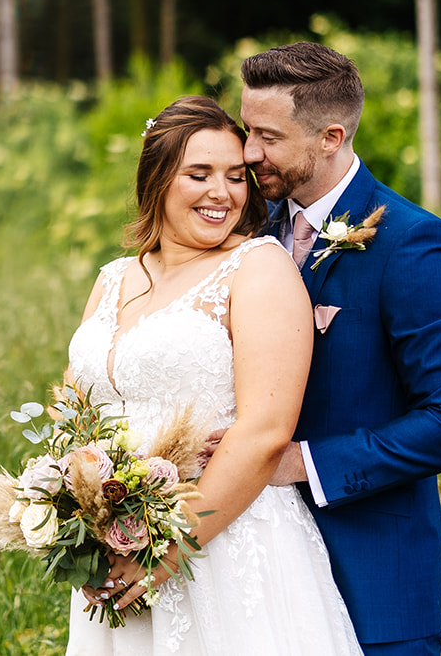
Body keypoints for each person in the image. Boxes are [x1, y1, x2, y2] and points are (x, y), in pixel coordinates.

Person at [64, 95, 363, 656]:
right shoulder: (113, 278)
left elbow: (266, 430)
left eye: (235, 176)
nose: (221, 193)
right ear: (156, 179)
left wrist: (165, 552)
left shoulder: (258, 266)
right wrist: (78, 518)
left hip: (224, 544)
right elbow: (75, 409)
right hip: (117, 553)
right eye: (198, 174)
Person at [237, 42, 441, 656]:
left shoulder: (413, 243)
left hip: (371, 578)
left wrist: (304, 464)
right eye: (247, 129)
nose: (248, 153)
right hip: (251, 573)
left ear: (329, 136)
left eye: (267, 137)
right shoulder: (245, 232)